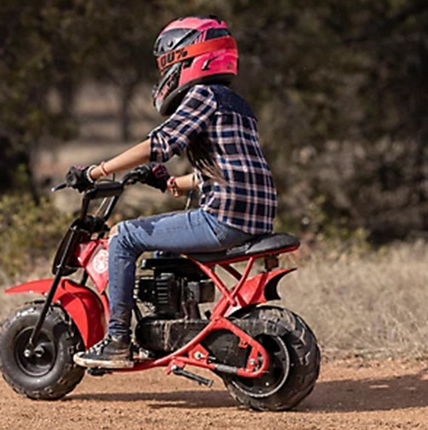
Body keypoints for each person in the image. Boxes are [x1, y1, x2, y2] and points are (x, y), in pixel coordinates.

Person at [69, 16, 277, 369]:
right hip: (256, 218)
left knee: (123, 237)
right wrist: (169, 183)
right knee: (164, 251)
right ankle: (182, 320)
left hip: (222, 219)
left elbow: (159, 143)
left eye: (166, 63)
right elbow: (228, 170)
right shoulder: (238, 105)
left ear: (184, 59)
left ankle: (117, 340)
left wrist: (96, 170)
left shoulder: (201, 95)